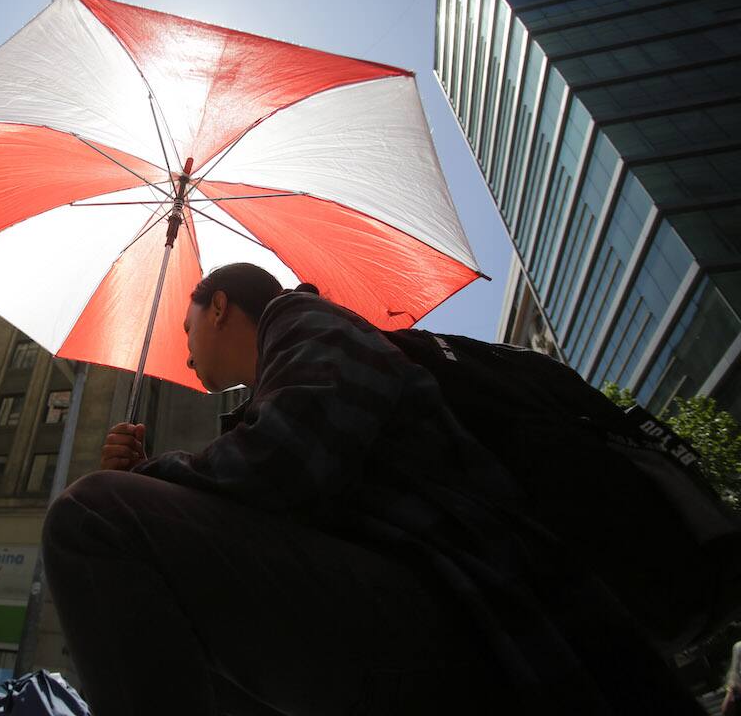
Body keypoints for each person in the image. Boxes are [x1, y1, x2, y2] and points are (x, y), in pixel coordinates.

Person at [42, 262, 703, 715]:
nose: (185, 356)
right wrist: (156, 478)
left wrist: (140, 483)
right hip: (441, 613)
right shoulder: (284, 376)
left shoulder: (306, 322)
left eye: (186, 332)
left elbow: (284, 469)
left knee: (94, 517)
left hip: (469, 613)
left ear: (219, 308)